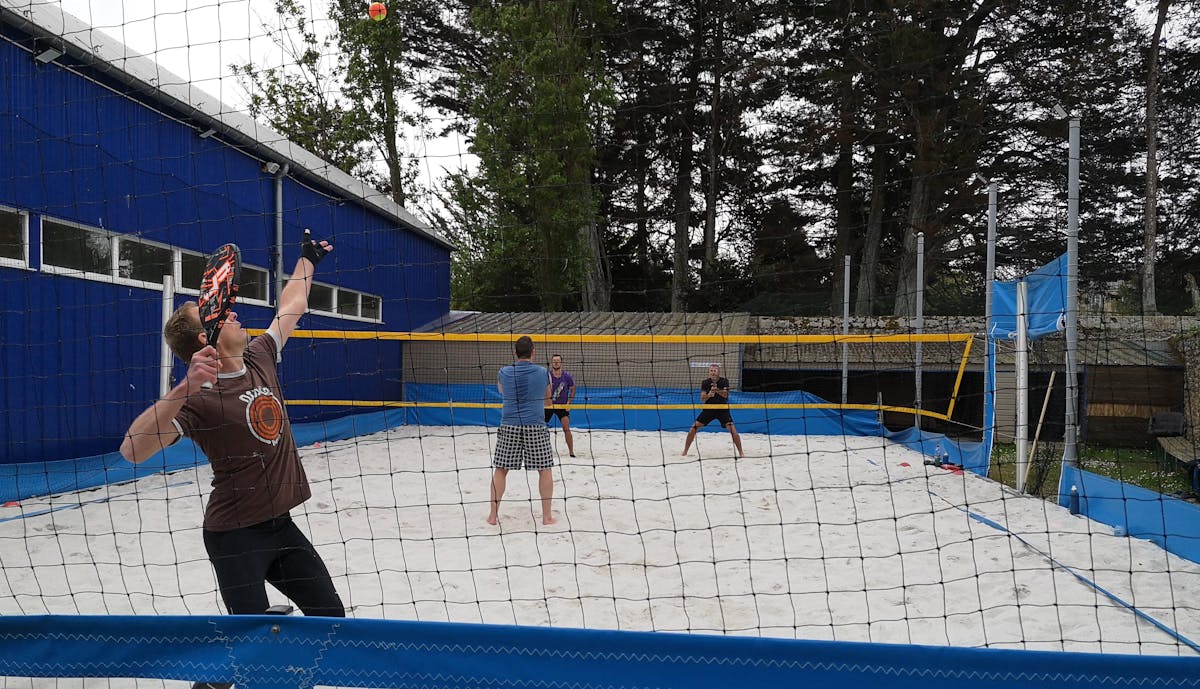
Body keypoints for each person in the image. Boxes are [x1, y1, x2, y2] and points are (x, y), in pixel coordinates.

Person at [119, 230, 345, 626]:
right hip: (234, 537)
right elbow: (132, 450)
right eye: (224, 313)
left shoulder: (260, 356)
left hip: (281, 525)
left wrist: (307, 259)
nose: (235, 311)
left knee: (331, 615)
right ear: (206, 336)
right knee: (249, 638)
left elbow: (292, 303)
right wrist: (183, 387)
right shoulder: (198, 398)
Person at [487, 335, 556, 526]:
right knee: (544, 469)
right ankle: (547, 517)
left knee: (500, 470)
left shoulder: (503, 372)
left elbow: (502, 391)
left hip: (509, 424)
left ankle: (493, 516)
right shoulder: (543, 372)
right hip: (535, 424)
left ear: (515, 353)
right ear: (533, 352)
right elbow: (548, 398)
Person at [681, 363, 744, 458]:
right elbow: (702, 398)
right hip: (709, 409)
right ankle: (685, 451)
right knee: (693, 428)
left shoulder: (724, 381)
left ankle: (741, 453)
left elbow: (726, 395)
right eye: (711, 371)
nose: (712, 373)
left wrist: (717, 390)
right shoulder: (705, 382)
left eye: (714, 371)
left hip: (722, 409)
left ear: (718, 372)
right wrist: (709, 394)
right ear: (709, 372)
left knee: (733, 431)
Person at [544, 354, 576, 457]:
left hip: (562, 406)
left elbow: (573, 389)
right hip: (549, 405)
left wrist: (569, 403)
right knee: (540, 428)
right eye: (554, 361)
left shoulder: (567, 376)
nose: (556, 362)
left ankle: (571, 452)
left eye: (558, 361)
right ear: (551, 362)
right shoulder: (547, 375)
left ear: (561, 362)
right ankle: (543, 450)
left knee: (566, 428)